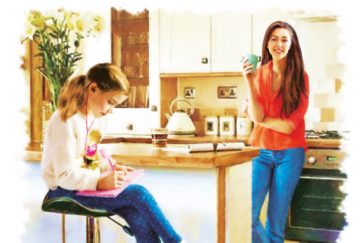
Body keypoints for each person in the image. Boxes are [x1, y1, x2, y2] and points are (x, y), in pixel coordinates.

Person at [41, 63, 185, 243]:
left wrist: (108, 167)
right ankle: (175, 241)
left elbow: (88, 159)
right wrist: (99, 182)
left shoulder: (95, 119)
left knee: (134, 212)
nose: (111, 109)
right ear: (93, 88)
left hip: (83, 187)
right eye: (110, 102)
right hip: (63, 191)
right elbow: (64, 176)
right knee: (138, 193)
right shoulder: (65, 120)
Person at [240, 21, 309, 243]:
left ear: (292, 44)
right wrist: (249, 81)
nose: (279, 44)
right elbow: (254, 115)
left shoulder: (300, 77)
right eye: (274, 39)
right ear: (267, 43)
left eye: (284, 39)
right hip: (259, 151)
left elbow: (289, 127)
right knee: (246, 217)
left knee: (276, 224)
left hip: (290, 153)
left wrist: (257, 117)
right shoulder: (258, 75)